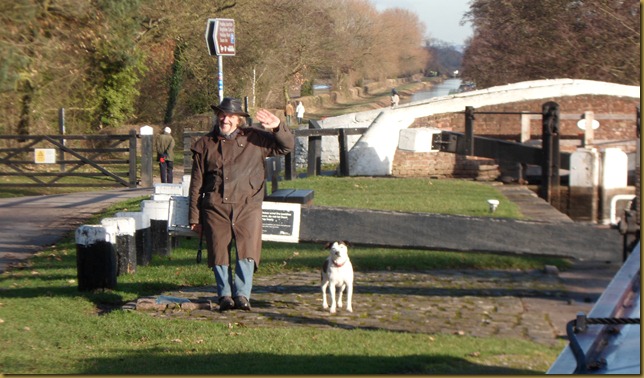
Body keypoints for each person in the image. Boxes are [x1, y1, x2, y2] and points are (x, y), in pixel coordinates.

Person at [188, 97, 295, 312]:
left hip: (248, 206)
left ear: (238, 119)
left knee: (247, 251)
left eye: (229, 115)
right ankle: (225, 295)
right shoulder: (205, 144)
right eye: (221, 114)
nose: (224, 118)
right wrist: (194, 217)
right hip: (215, 206)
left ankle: (243, 295)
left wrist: (278, 127)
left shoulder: (255, 139)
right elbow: (196, 184)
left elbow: (286, 147)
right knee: (219, 252)